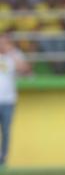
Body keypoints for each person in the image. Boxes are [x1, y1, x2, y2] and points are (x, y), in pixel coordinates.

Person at [0, 33, 30, 166]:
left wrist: (12, 54)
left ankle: (3, 160)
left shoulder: (15, 54)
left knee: (6, 131)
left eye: (4, 42)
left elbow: (25, 70)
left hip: (8, 101)